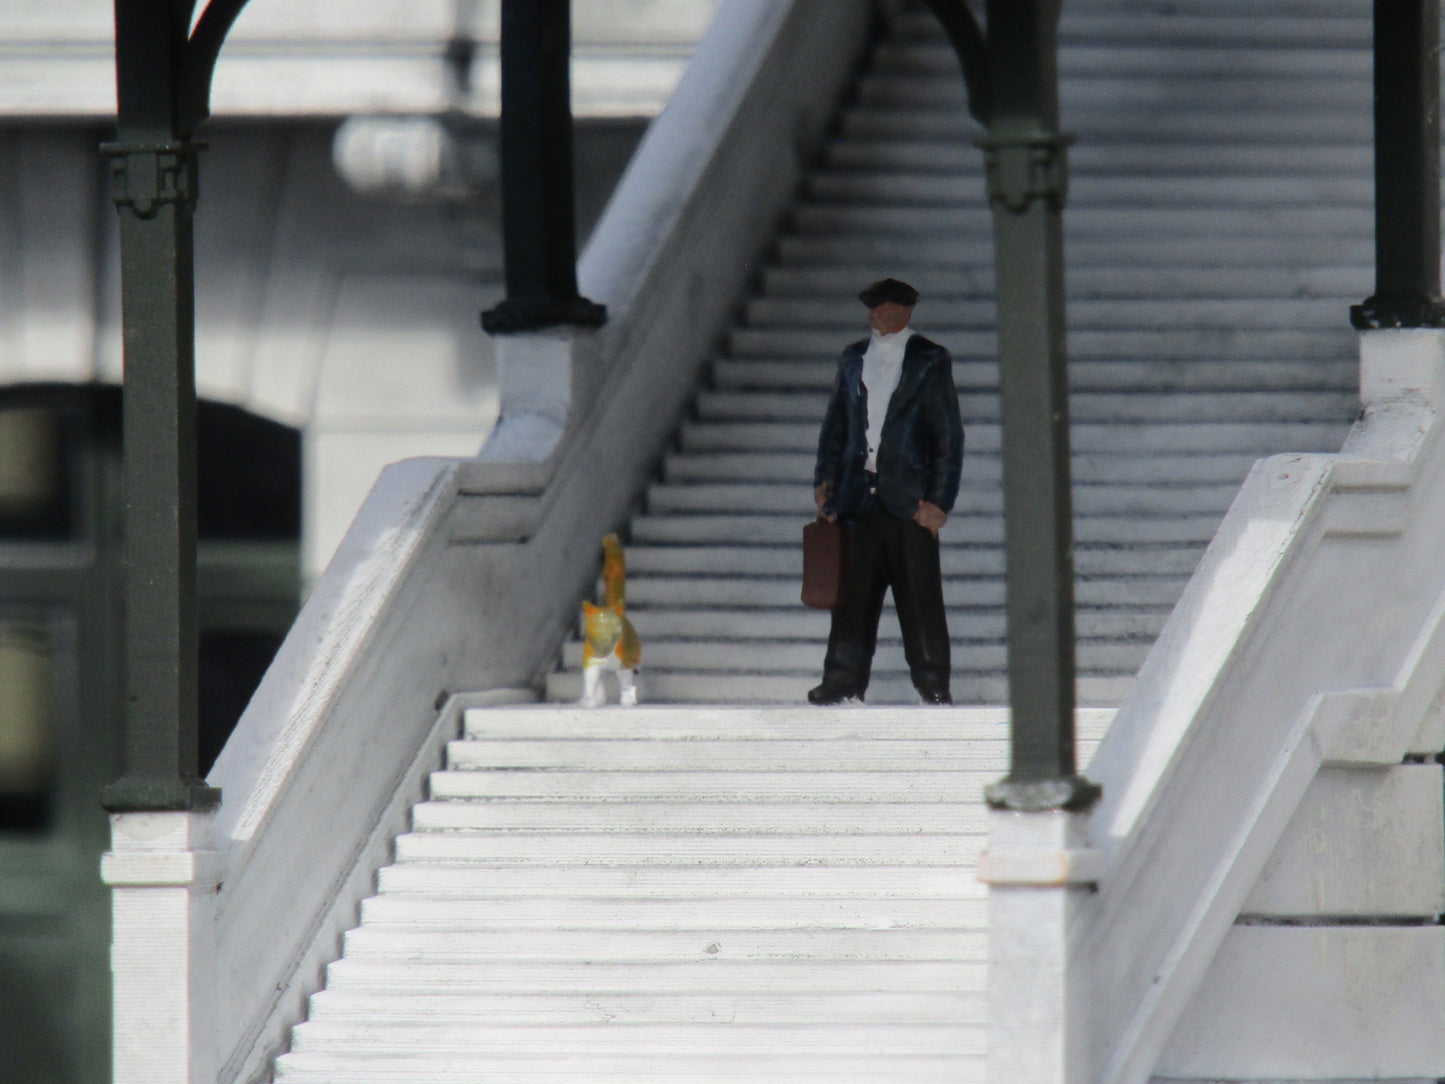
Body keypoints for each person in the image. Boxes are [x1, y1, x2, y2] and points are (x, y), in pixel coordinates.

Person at [808, 278, 964, 705]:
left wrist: (939, 501)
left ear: (906, 312)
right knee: (852, 598)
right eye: (875, 310)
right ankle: (842, 678)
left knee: (920, 596)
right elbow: (835, 427)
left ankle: (932, 680)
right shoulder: (852, 358)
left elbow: (947, 434)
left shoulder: (930, 359)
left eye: (889, 310)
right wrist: (825, 484)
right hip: (858, 497)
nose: (880, 317)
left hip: (908, 501)